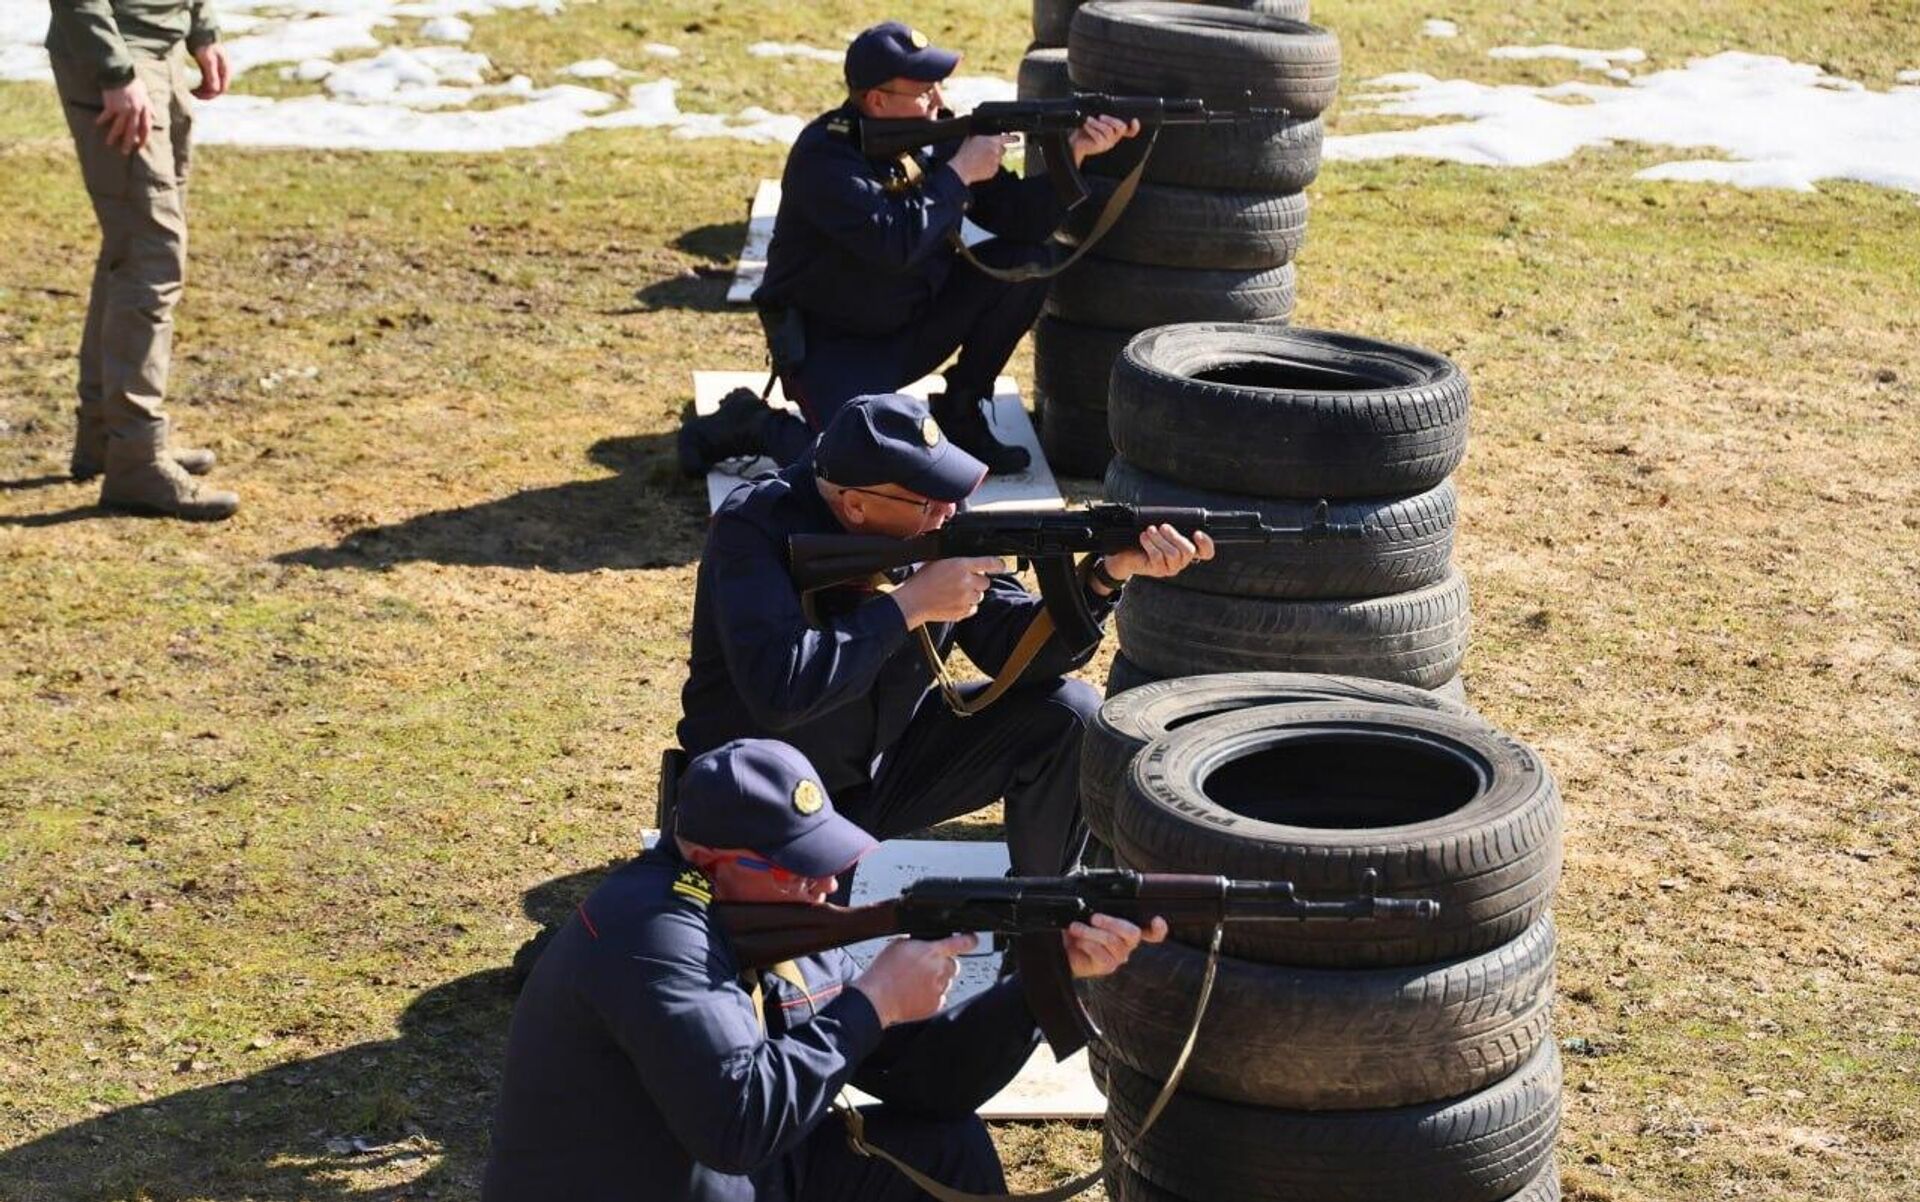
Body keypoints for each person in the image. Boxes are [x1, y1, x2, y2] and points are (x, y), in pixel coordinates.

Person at [483, 738, 1164, 1202]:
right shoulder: (652, 932)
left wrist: (1041, 984)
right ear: (706, 857)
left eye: (825, 858)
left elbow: (922, 1085)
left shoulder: (766, 913)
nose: (822, 883)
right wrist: (871, 1000)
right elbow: (736, 1126)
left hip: (724, 1174)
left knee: (945, 1149)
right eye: (793, 866)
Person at [677, 392, 1212, 879]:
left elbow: (1012, 647)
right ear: (856, 504)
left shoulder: (933, 522)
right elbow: (781, 690)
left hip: (883, 766)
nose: (949, 512)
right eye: (927, 503)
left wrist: (1102, 577)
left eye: (950, 492)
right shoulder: (755, 529)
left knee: (1068, 713)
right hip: (768, 791)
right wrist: (907, 606)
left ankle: (1039, 920)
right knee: (797, 969)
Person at [678, 20, 1137, 479]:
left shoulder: (933, 135)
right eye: (923, 91)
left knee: (1028, 261)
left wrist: (1074, 150)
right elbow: (891, 244)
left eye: (938, 85)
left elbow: (1020, 222)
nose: (938, 100)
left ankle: (960, 410)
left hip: (912, 322)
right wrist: (958, 174)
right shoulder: (825, 158)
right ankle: (755, 423)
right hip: (832, 346)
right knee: (850, 471)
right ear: (877, 100)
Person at [46, 0, 239, 520]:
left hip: (161, 53)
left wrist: (201, 29)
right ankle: (135, 459)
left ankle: (109, 437)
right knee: (152, 254)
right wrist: (114, 70)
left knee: (131, 247)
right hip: (118, 61)